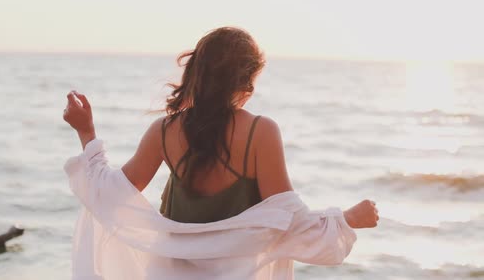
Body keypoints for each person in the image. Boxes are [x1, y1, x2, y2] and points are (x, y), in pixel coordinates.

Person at [62, 27, 379, 279]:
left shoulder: (165, 131)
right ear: (246, 83)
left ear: (196, 73)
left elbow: (110, 197)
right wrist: (347, 219)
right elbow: (291, 223)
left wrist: (86, 131)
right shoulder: (260, 132)